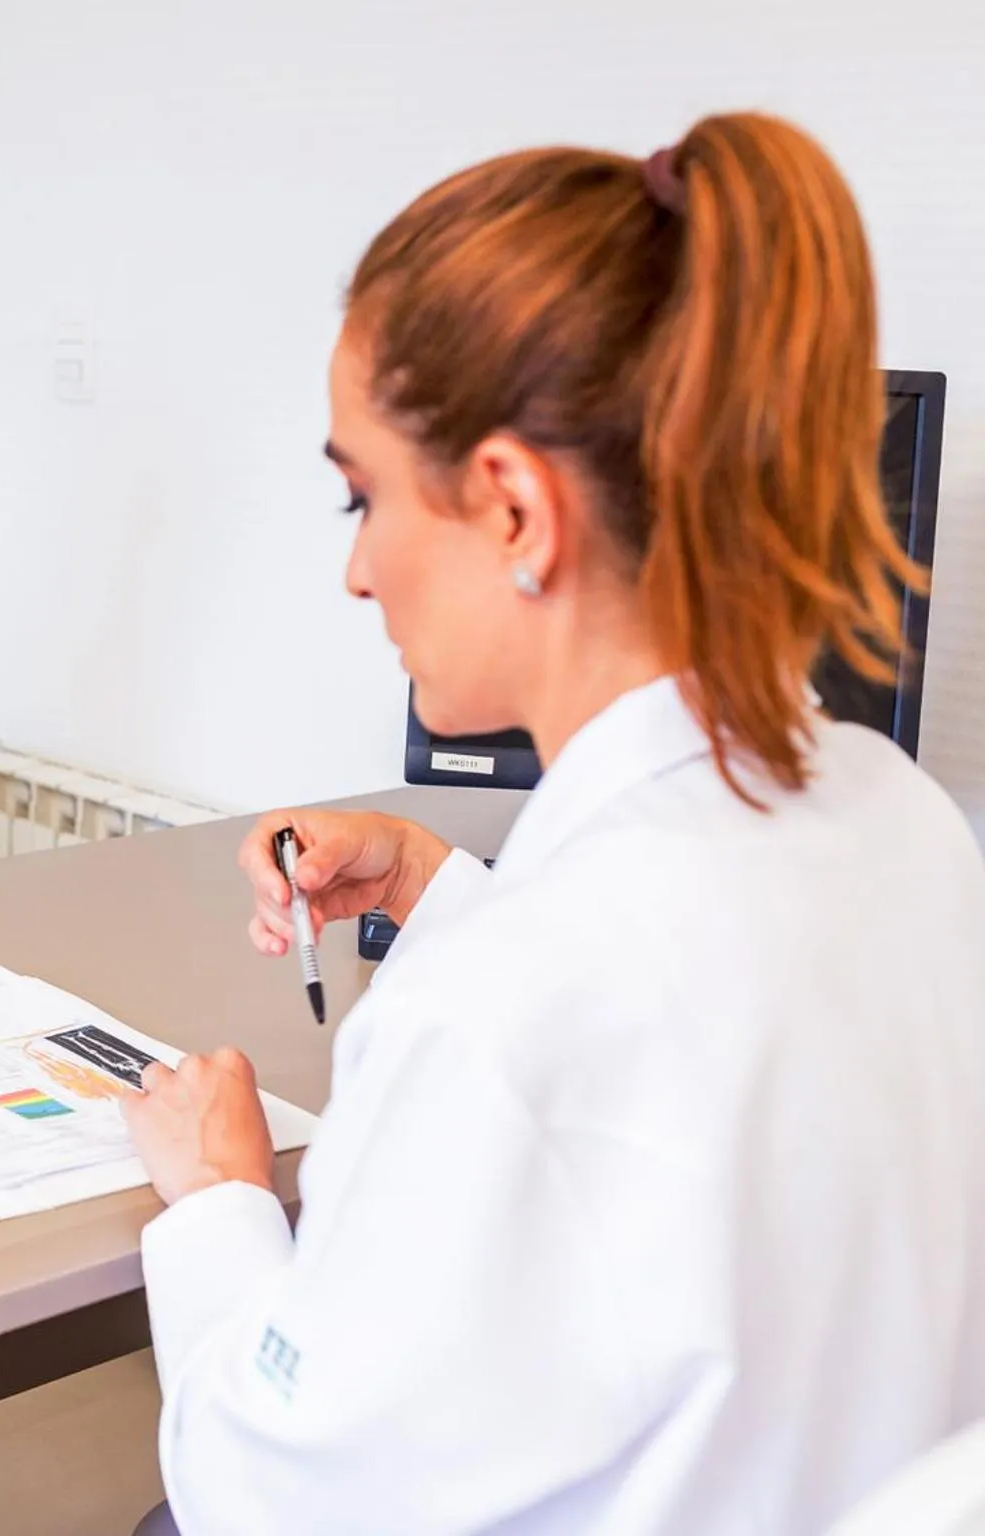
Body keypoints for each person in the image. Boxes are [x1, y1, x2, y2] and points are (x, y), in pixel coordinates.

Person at [123, 114, 985, 1534]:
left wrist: (218, 1202)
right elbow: (685, 1071)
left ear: (516, 510)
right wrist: (446, 885)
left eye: (366, 495)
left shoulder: (503, 1015)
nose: (355, 570)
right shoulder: (907, 830)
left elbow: (264, 1496)